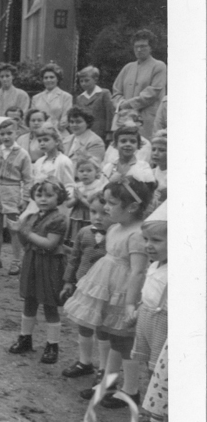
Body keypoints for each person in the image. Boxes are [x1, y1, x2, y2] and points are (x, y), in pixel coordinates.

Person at [63, 172, 156, 404]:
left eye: (111, 203)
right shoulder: (115, 228)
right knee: (109, 336)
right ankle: (108, 382)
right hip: (105, 287)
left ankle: (131, 390)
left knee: (124, 342)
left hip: (123, 293)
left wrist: (130, 304)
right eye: (105, 202)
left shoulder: (137, 234)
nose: (106, 208)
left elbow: (137, 271)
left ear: (133, 207)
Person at [5, 178, 69, 364]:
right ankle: (25, 337)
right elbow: (26, 244)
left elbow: (50, 244)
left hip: (50, 264)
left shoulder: (59, 219)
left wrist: (25, 232)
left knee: (49, 303)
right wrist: (17, 232)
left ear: (59, 198)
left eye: (49, 195)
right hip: (32, 261)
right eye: (39, 195)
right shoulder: (32, 217)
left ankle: (52, 344)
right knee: (30, 300)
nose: (43, 199)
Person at [60, 192, 114, 380]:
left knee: (103, 328)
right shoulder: (84, 233)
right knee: (83, 324)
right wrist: (68, 281)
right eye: (93, 212)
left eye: (104, 213)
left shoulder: (116, 236)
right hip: (83, 287)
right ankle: (85, 362)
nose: (98, 217)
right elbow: (74, 259)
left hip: (105, 289)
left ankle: (104, 368)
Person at [131, 202, 167, 422]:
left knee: (160, 372)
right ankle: (150, 411)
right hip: (146, 318)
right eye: (146, 240)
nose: (149, 246)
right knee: (147, 367)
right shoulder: (154, 265)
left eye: (156, 240)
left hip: (163, 322)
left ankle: (160, 419)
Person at [0, 117, 33, 275]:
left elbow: (28, 179)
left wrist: (25, 199)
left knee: (14, 228)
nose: (6, 137)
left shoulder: (23, 154)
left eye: (9, 133)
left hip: (12, 190)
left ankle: (16, 260)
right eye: (2, 134)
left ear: (17, 133)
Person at [111, 29, 167, 140]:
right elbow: (116, 91)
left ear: (151, 47)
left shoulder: (159, 66)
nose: (139, 49)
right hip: (125, 119)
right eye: (136, 46)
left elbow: (152, 93)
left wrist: (128, 104)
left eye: (143, 46)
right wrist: (120, 103)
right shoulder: (128, 67)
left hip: (146, 120)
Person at [65, 156, 108, 244]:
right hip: (77, 216)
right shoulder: (78, 185)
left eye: (89, 171)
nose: (85, 174)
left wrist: (81, 198)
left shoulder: (98, 186)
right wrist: (76, 199)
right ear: (76, 173)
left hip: (91, 216)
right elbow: (68, 205)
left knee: (90, 238)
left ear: (96, 172)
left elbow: (95, 207)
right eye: (81, 171)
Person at [30, 63, 73, 135]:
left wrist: (53, 130)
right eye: (45, 78)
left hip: (59, 133)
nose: (48, 80)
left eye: (52, 77)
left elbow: (65, 118)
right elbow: (33, 118)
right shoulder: (36, 98)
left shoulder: (66, 96)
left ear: (58, 79)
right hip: (39, 133)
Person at [74, 66, 113, 142]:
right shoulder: (80, 98)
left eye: (87, 80)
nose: (83, 83)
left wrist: (109, 132)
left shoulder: (104, 93)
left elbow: (110, 114)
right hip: (85, 133)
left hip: (101, 133)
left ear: (95, 79)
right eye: (81, 81)